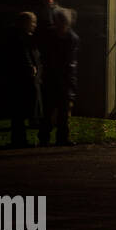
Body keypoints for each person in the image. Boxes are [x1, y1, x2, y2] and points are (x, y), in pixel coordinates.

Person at [39, 8, 79, 147]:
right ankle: (48, 138)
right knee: (50, 112)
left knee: (60, 113)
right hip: (55, 79)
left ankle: (56, 138)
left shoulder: (69, 38)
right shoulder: (67, 38)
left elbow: (69, 63)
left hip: (61, 79)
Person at [8, 12, 42, 147]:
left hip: (22, 78)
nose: (34, 25)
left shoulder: (20, 37)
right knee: (20, 110)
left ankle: (18, 139)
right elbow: (24, 55)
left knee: (19, 112)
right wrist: (31, 68)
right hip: (24, 79)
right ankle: (19, 140)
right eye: (32, 22)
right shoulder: (21, 38)